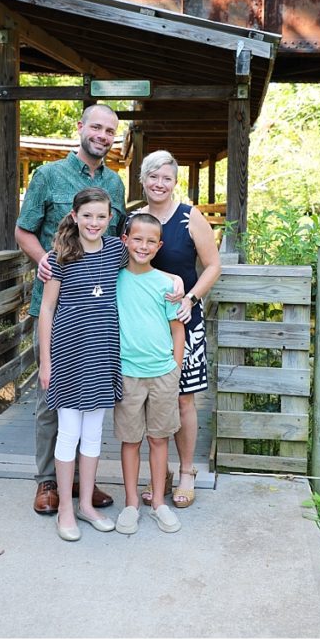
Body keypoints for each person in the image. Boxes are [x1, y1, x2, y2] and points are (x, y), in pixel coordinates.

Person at [15, 103, 126, 516]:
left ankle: (83, 482)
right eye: (95, 127)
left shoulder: (114, 185)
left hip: (96, 312)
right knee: (51, 400)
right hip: (55, 301)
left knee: (92, 401)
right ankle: (48, 481)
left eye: (109, 130)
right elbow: (24, 229)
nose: (101, 135)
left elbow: (121, 244)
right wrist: (44, 257)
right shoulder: (47, 175)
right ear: (80, 128)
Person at [133, 150, 221, 509]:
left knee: (183, 399)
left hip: (183, 322)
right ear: (143, 180)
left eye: (166, 177)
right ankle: (161, 474)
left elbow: (213, 265)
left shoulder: (189, 217)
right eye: (153, 176)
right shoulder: (132, 219)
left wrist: (192, 299)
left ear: (174, 182)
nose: (159, 183)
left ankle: (186, 472)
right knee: (148, 401)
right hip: (143, 327)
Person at [37, 188, 124, 541]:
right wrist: (46, 361)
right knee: (69, 432)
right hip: (69, 357)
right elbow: (46, 310)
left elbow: (146, 267)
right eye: (87, 215)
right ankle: (66, 510)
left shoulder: (116, 250)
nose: (94, 222)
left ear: (110, 219)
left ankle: (86, 504)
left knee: (92, 435)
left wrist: (177, 281)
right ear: (74, 216)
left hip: (102, 355)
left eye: (101, 216)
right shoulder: (61, 256)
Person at [113, 213, 186, 535]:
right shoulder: (114, 278)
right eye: (137, 239)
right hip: (127, 372)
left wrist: (176, 367)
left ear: (159, 245)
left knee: (159, 438)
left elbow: (177, 330)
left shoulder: (167, 284)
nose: (143, 246)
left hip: (162, 373)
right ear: (124, 240)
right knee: (131, 440)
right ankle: (131, 502)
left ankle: (158, 501)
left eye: (150, 241)